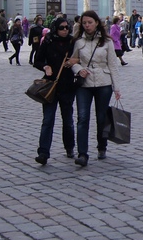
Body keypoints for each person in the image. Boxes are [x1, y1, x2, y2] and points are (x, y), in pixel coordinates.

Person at [69, 11, 121, 167]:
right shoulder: (78, 41)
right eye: (84, 23)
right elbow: (72, 61)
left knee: (101, 118)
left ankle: (102, 146)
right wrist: (78, 69)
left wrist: (116, 87)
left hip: (103, 83)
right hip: (84, 84)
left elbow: (113, 65)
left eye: (90, 22)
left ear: (97, 23)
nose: (87, 25)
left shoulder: (106, 42)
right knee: (82, 118)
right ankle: (82, 154)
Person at [32, 16, 77, 165]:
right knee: (48, 120)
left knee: (68, 120)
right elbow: (37, 60)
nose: (65, 30)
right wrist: (45, 66)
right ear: (55, 29)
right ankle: (43, 152)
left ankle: (69, 147)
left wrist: (73, 62)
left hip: (67, 86)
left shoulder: (72, 42)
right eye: (61, 28)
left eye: (67, 27)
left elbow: (80, 58)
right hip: (50, 86)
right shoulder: (49, 41)